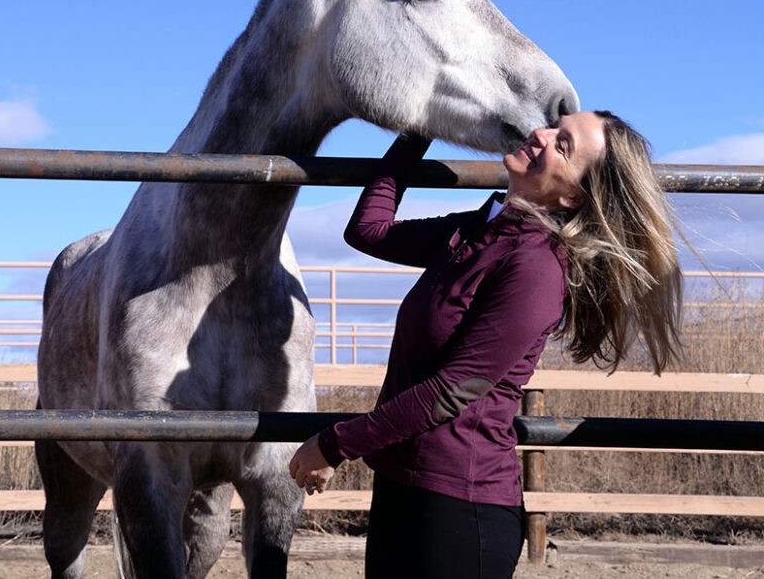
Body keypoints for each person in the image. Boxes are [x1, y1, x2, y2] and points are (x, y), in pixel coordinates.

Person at [288, 111, 683, 578]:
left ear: (572, 196)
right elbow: (368, 230)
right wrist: (422, 124)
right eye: (554, 126)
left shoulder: (536, 266)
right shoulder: (482, 228)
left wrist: (335, 444)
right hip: (399, 487)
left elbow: (453, 389)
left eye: (563, 145)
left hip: (460, 511)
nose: (540, 135)